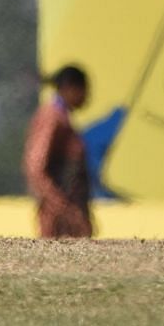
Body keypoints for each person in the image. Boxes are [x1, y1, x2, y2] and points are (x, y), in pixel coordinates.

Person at [24, 64, 94, 239]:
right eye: (84, 89)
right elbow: (35, 167)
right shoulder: (52, 116)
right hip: (58, 222)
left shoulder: (62, 117)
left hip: (69, 216)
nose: (87, 96)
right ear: (70, 87)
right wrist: (61, 206)